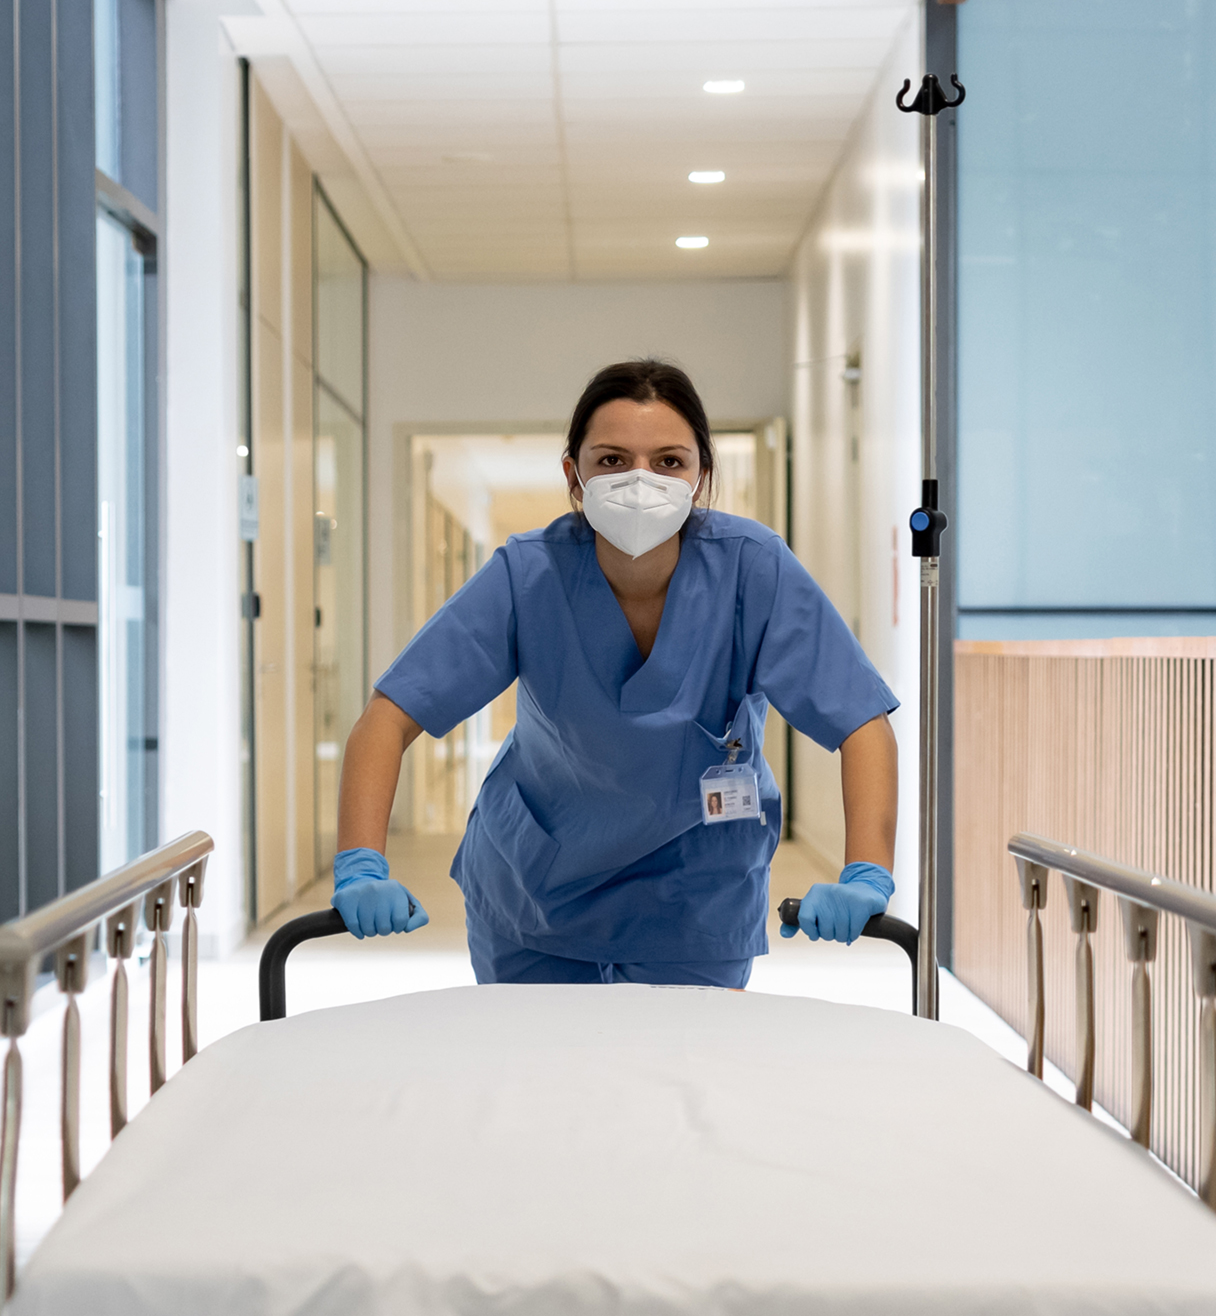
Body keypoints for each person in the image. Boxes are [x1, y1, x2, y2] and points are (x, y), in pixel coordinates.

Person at [330, 359, 902, 987]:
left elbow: (861, 723)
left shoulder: (753, 569)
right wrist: (361, 863)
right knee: (537, 1053)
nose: (640, 481)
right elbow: (389, 717)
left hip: (694, 903)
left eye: (669, 461)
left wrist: (865, 872)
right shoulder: (529, 574)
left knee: (682, 1053)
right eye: (612, 460)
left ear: (702, 477)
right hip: (537, 891)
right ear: (574, 477)